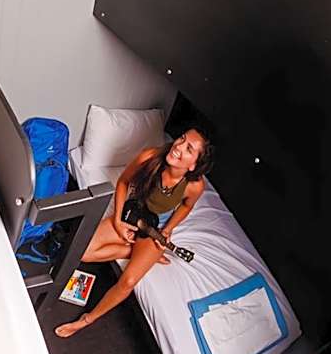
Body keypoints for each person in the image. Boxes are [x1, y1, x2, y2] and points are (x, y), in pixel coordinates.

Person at [54, 126, 215, 338]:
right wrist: (118, 221)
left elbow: (186, 206)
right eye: (182, 138)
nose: (179, 146)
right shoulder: (149, 157)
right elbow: (123, 182)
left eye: (189, 149)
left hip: (155, 226)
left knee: (128, 281)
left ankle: (86, 320)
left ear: (193, 165)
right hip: (132, 213)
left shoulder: (194, 186)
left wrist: (168, 229)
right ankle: (138, 253)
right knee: (83, 252)